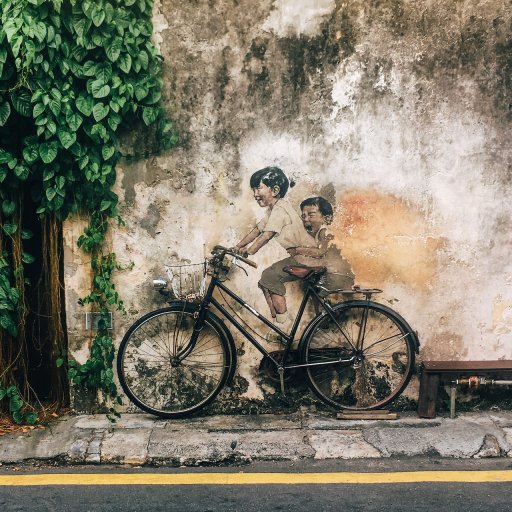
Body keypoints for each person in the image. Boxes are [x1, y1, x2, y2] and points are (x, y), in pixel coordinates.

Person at [232, 167, 315, 332]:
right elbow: (257, 230)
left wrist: (249, 251)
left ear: (275, 190)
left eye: (259, 188)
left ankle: (284, 325)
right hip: (299, 256)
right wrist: (238, 246)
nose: (255, 193)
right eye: (253, 189)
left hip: (307, 257)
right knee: (265, 280)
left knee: (270, 277)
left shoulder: (280, 209)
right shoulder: (273, 210)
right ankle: (276, 321)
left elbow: (267, 235)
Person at [289, 196, 354, 302]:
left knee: (313, 291)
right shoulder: (317, 233)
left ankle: (323, 316)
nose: (305, 219)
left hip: (335, 275)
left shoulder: (324, 232)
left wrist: (297, 250)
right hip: (329, 273)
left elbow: (320, 252)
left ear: (325, 218)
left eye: (311, 215)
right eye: (303, 215)